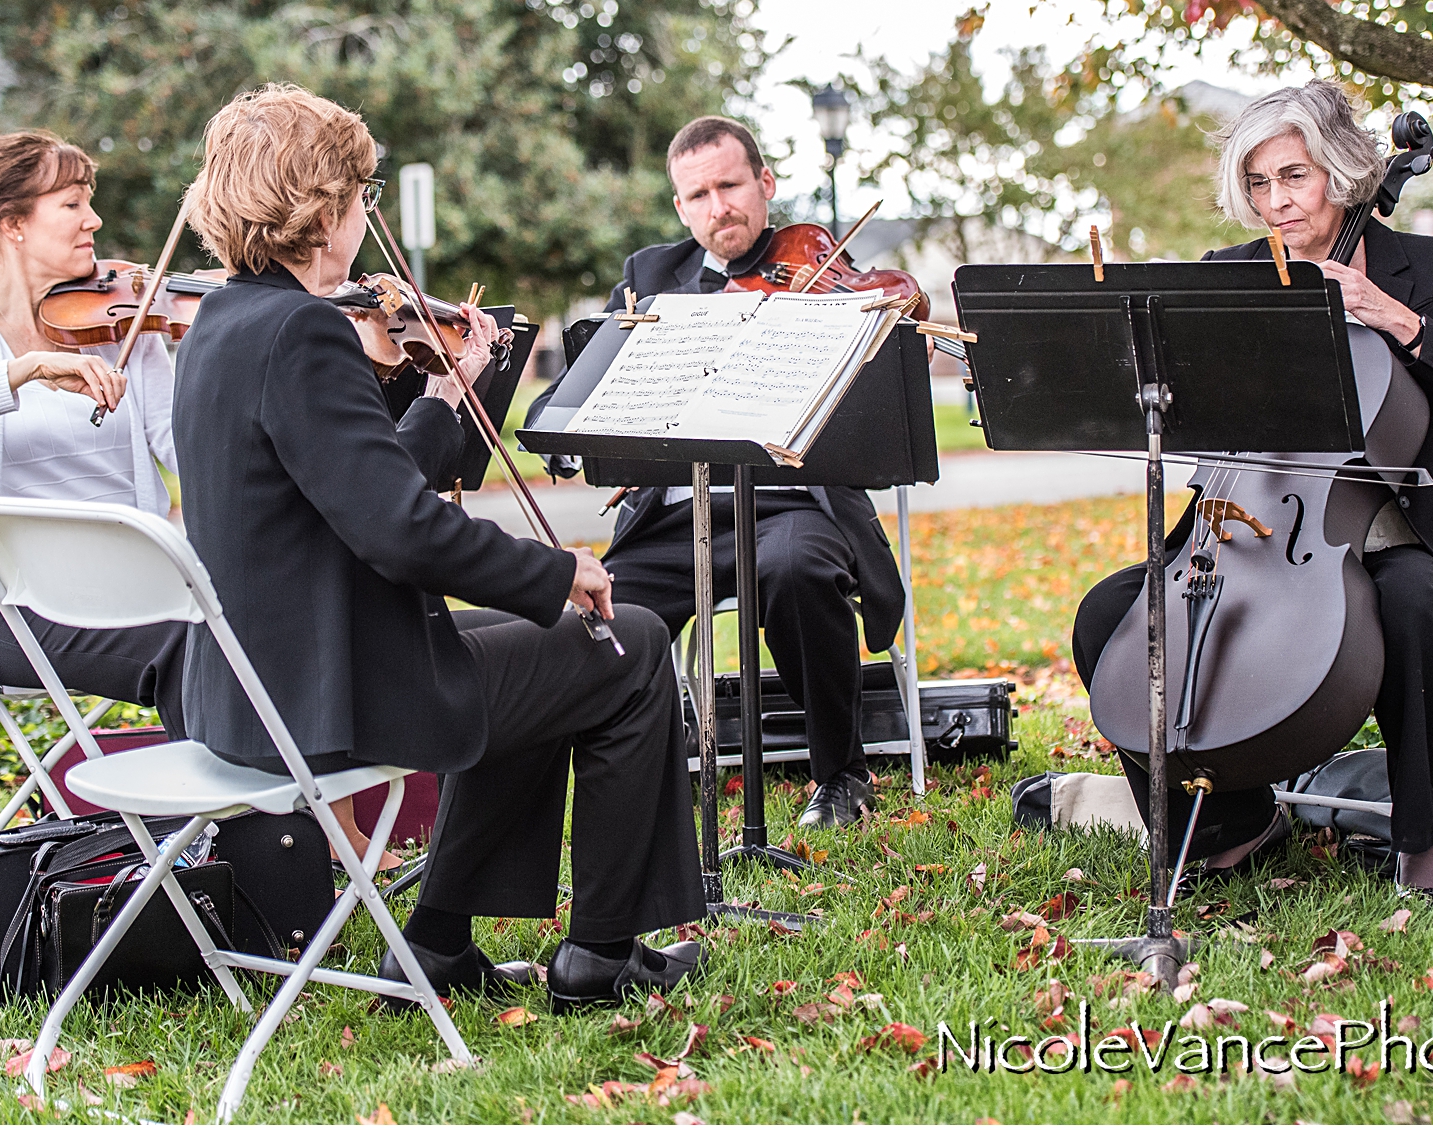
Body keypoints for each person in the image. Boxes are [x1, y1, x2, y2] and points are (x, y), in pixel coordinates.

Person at [170, 83, 705, 1009]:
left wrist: (441, 402)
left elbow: (350, 489)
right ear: (324, 205)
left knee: (541, 658)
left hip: (260, 684)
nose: (362, 215)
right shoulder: (300, 330)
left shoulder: (222, 325)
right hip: (328, 695)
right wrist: (556, 569)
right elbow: (399, 530)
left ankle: (440, 945)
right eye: (360, 195)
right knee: (633, 645)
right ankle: (603, 954)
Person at [1069, 82, 1433, 898]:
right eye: (1258, 183)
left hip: (1387, 529)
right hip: (1250, 526)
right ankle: (1234, 819)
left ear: (1345, 172)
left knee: (1417, 606)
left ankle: (1421, 833)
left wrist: (1397, 320)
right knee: (1113, 616)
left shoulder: (1428, 269)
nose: (1274, 202)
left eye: (1294, 177)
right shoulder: (1231, 276)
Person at [529, 115, 908, 829]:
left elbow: (879, 410)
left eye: (730, 186)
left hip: (790, 506)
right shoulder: (650, 277)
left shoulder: (816, 269)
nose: (718, 207)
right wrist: (569, 438)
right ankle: (631, 787)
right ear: (680, 206)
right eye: (697, 194)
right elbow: (579, 383)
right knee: (604, 612)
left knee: (797, 572)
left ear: (764, 184)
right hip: (680, 515)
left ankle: (842, 775)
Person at [0, 131, 187, 745]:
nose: (94, 219)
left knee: (267, 625)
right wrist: (26, 370)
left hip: (140, 585)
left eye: (89, 201)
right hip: (21, 611)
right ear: (12, 224)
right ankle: (230, 829)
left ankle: (282, 823)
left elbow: (185, 449)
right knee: (199, 651)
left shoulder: (121, 322)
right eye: (72, 203)